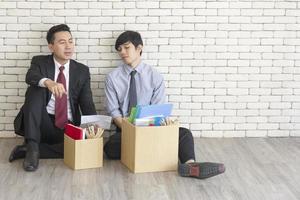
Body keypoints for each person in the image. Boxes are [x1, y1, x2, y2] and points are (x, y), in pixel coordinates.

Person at [104, 31, 225, 179]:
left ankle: (190, 166)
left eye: (126, 47)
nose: (122, 52)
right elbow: (114, 111)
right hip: (126, 130)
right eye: (119, 49)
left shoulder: (155, 76)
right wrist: (130, 129)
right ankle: (157, 150)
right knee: (111, 146)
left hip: (151, 128)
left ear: (139, 48)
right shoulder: (112, 78)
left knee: (184, 134)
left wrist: (148, 130)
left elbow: (157, 110)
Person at [9, 24, 96, 172]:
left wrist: (93, 126)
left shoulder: (82, 71)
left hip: (67, 125)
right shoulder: (40, 62)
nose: (68, 46)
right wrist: (48, 82)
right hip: (41, 123)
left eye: (70, 41)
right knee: (35, 88)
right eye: (62, 42)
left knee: (78, 149)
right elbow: (30, 76)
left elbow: (86, 102)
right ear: (51, 47)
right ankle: (33, 144)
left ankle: (30, 150)